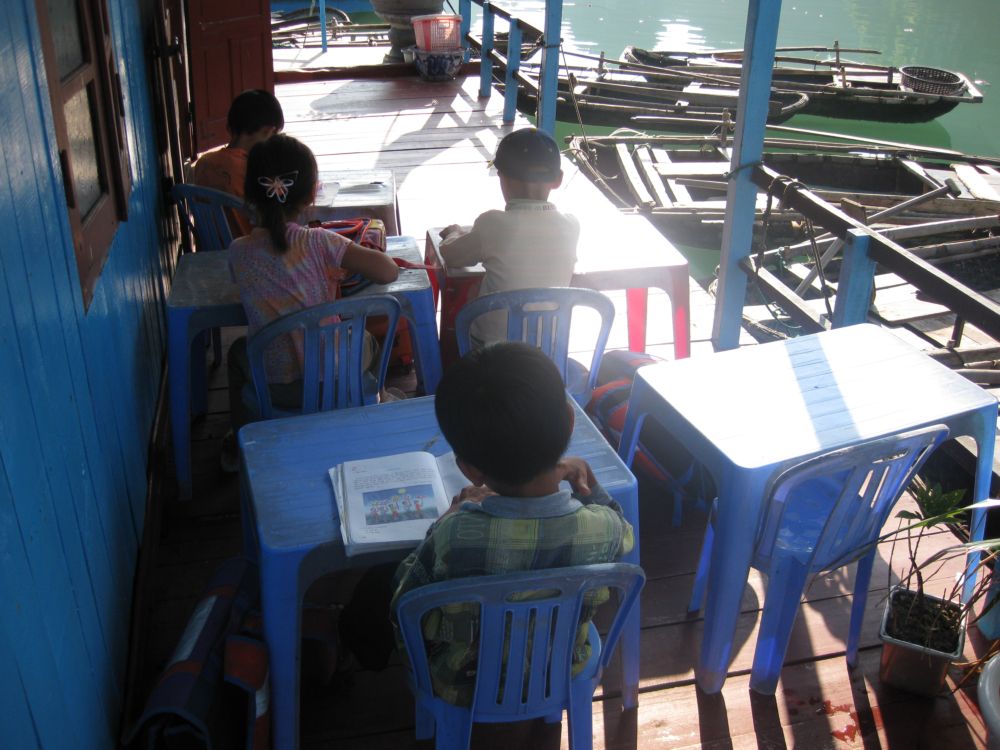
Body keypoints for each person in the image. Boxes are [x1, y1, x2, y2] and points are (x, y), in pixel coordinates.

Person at [368, 343, 633, 706]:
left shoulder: (453, 537)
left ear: (469, 469)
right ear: (570, 422)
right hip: (563, 669)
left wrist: (444, 520)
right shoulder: (602, 529)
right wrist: (589, 487)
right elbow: (624, 530)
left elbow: (405, 604)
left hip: (463, 685)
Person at [223, 134, 399, 466]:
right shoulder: (319, 242)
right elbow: (387, 270)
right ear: (310, 196)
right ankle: (376, 397)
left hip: (276, 389)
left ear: (249, 194)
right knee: (368, 342)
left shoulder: (239, 252)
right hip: (335, 379)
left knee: (237, 355)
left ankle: (241, 441)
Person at [437, 128, 580, 346]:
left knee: (472, 299)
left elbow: (452, 255)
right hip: (548, 350)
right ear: (558, 179)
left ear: (502, 177)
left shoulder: (492, 223)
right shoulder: (571, 225)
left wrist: (454, 234)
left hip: (492, 351)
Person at [190, 89, 285, 236]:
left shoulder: (204, 162)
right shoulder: (253, 170)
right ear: (268, 131)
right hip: (249, 248)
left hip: (211, 248)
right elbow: (276, 216)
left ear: (229, 127)